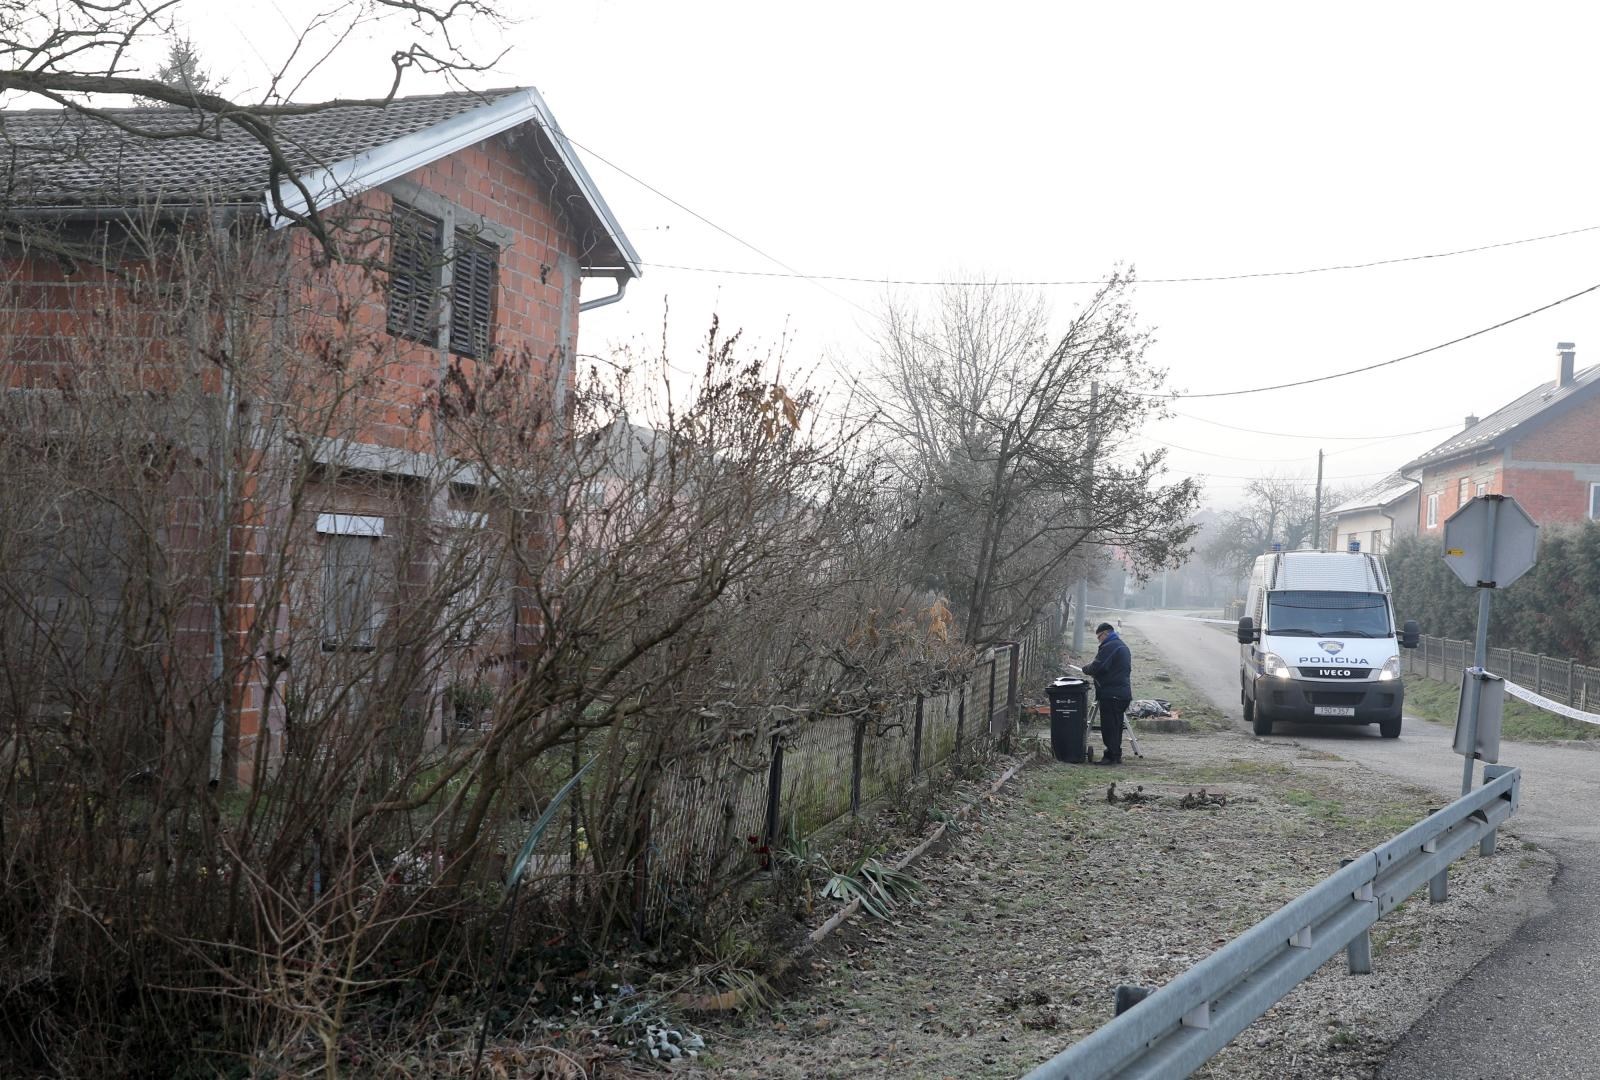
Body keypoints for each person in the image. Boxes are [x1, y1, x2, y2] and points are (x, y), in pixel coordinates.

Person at [1082, 621, 1132, 764]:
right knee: (1116, 726)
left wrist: (1086, 669)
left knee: (1109, 727)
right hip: (1122, 692)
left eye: (1099, 637)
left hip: (1112, 693)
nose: (1099, 640)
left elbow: (1099, 666)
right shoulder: (1121, 645)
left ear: (1105, 634)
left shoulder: (1110, 646)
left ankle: (1110, 757)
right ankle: (1115, 755)